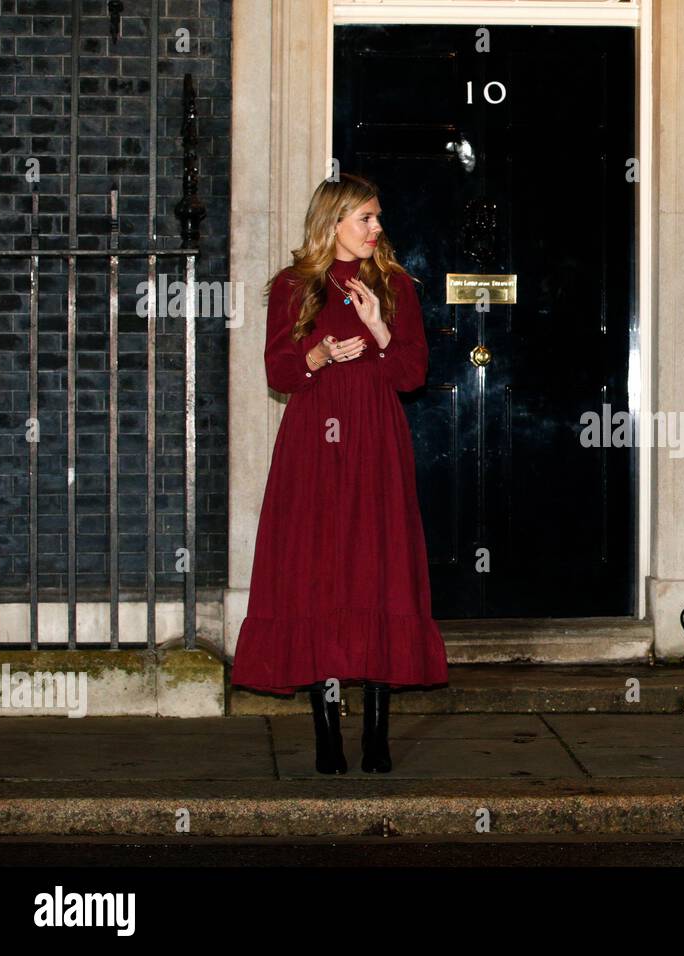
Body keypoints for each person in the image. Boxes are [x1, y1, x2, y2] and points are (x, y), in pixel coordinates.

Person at [231, 173, 448, 774]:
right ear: (334, 224)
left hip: (376, 439)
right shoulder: (294, 286)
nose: (377, 229)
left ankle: (376, 733)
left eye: (378, 219)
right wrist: (319, 353)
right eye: (366, 219)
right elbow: (278, 370)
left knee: (377, 571)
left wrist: (379, 328)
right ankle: (327, 729)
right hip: (316, 443)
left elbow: (411, 374)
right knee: (321, 572)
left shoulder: (396, 284)